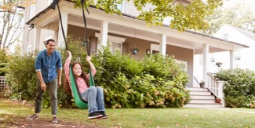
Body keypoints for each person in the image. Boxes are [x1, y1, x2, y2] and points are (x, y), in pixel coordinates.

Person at [64, 51, 108, 119]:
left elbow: (93, 71)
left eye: (79, 68)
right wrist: (69, 57)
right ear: (71, 70)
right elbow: (66, 67)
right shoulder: (71, 78)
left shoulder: (84, 78)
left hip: (89, 96)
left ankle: (101, 111)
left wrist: (89, 61)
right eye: (76, 68)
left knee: (99, 88)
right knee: (92, 88)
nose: (78, 70)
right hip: (80, 97)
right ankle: (92, 112)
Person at [27, 39, 62, 124]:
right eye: (50, 45)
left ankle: (54, 116)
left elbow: (59, 67)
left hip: (53, 77)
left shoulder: (57, 54)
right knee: (39, 95)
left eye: (53, 45)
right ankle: (36, 114)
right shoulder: (41, 55)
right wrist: (42, 82)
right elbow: (38, 69)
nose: (52, 47)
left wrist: (60, 79)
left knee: (54, 96)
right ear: (47, 45)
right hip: (42, 77)